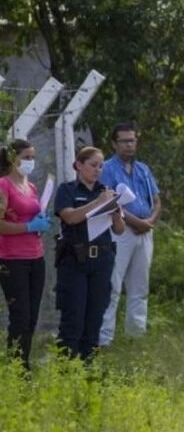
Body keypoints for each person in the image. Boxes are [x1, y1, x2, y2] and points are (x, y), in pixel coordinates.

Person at [54, 147, 125, 361]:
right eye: (93, 165)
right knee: (74, 316)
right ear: (79, 165)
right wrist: (97, 203)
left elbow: (119, 230)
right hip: (75, 258)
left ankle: (89, 368)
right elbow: (70, 218)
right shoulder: (67, 190)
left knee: (95, 316)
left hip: (102, 258)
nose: (97, 170)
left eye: (101, 166)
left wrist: (114, 212)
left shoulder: (105, 190)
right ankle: (66, 368)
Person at [99, 122, 161, 346]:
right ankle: (104, 338)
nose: (129, 145)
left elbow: (156, 200)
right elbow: (108, 202)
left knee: (140, 286)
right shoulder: (106, 168)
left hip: (145, 231)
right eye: (124, 141)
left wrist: (149, 221)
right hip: (120, 231)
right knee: (113, 284)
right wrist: (136, 222)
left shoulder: (143, 169)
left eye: (132, 140)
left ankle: (136, 335)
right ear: (114, 143)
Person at [0, 140, 52, 370]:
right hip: (12, 259)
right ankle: (17, 367)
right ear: (13, 159)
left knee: (31, 317)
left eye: (33, 157)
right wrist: (27, 227)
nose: (31, 162)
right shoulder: (3, 185)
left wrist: (39, 224)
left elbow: (32, 214)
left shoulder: (31, 187)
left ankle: (23, 360)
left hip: (35, 256)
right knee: (19, 316)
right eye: (27, 157)